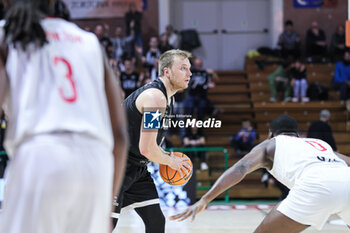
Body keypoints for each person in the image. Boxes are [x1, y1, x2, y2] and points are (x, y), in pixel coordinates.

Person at [0, 1, 129, 233]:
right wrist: (105, 206)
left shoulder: (7, 34)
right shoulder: (89, 42)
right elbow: (120, 135)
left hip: (40, 156)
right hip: (96, 164)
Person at [170, 115, 350, 232]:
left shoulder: (272, 143)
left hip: (316, 184)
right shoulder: (318, 144)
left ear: (271, 134)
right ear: (297, 134)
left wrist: (205, 199)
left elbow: (240, 168)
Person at [111, 49, 192, 233]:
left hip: (136, 168)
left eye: (189, 69)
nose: (190, 73)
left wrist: (166, 155)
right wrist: (172, 162)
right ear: (167, 71)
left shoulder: (166, 99)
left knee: (155, 222)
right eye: (183, 68)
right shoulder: (155, 98)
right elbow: (146, 148)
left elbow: (149, 146)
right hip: (116, 166)